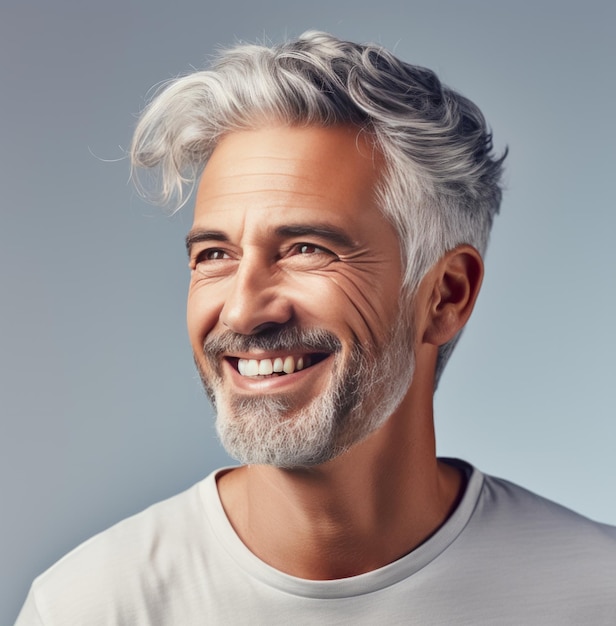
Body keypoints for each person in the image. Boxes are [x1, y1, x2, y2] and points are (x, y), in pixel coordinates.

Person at [16, 31, 616, 625]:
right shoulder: (89, 606)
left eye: (307, 248)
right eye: (215, 255)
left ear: (445, 296)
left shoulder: (597, 593)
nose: (243, 312)